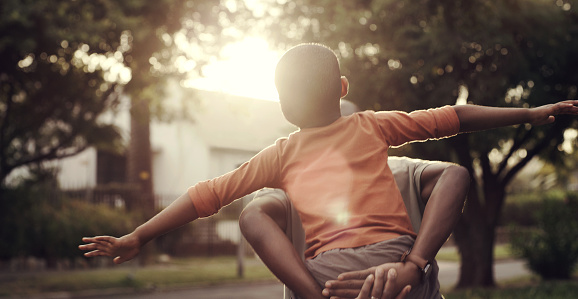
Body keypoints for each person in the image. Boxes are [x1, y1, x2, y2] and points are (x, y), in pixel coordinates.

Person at [79, 43, 578, 298]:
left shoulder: (281, 152)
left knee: (254, 214)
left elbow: (206, 195)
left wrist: (137, 238)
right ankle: (416, 265)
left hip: (323, 278)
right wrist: (530, 114)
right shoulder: (372, 126)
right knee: (460, 176)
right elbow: (456, 117)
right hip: (400, 265)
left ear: (281, 103)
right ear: (342, 88)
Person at [238, 100, 470, 299]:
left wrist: (415, 266)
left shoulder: (399, 170)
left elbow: (454, 177)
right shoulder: (289, 186)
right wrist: (415, 266)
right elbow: (253, 216)